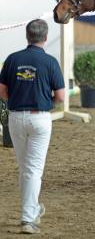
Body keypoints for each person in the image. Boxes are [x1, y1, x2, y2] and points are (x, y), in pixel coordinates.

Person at [0, 19, 65, 234]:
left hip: (16, 118)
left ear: (27, 36)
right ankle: (28, 218)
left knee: (25, 168)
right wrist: (48, 104)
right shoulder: (50, 62)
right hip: (40, 119)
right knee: (33, 170)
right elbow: (61, 97)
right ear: (45, 38)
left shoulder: (12, 59)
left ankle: (33, 208)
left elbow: (2, 91)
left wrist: (15, 99)